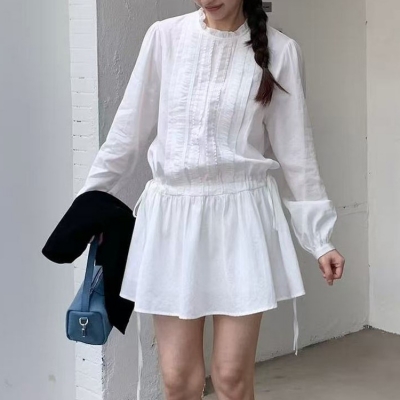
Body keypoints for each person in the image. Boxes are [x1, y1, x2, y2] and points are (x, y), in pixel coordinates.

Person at [77, 1, 345, 399]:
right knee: (178, 380)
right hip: (172, 220)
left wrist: (319, 238)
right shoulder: (165, 37)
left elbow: (296, 152)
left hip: (241, 221)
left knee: (231, 378)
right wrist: (86, 205)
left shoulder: (280, 51)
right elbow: (126, 133)